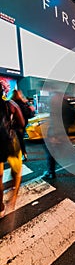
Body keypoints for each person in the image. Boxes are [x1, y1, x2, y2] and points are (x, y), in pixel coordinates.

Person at [0, 82, 25, 218]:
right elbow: (22, 123)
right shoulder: (10, 105)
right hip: (10, 143)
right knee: (17, 170)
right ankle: (14, 197)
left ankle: (0, 208)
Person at [43, 91, 75, 179]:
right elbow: (72, 118)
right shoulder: (66, 105)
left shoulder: (58, 105)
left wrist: (54, 135)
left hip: (56, 133)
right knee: (70, 152)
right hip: (62, 132)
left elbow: (55, 120)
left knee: (50, 152)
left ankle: (51, 172)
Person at [10, 89, 34, 161]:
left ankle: (21, 154)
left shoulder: (12, 103)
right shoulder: (22, 103)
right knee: (20, 140)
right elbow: (28, 114)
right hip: (21, 124)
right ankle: (23, 154)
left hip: (15, 124)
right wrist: (30, 109)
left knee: (17, 140)